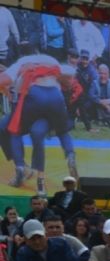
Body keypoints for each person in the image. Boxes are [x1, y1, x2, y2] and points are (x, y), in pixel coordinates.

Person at [0, 50, 78, 192]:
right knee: (58, 132)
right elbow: (69, 76)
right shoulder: (51, 60)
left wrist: (6, 89)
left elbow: (2, 80)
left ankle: (20, 167)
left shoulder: (21, 64)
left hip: (33, 99)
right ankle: (69, 154)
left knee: (14, 130)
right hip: (55, 99)